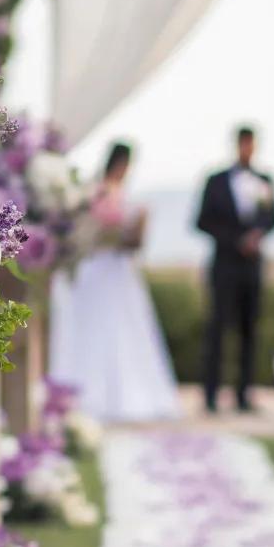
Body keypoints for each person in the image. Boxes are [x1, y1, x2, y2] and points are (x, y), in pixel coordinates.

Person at [50, 141, 179, 424]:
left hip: (120, 271)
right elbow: (90, 232)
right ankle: (95, 393)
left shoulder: (118, 194)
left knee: (126, 327)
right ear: (119, 163)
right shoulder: (98, 193)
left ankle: (121, 393)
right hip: (100, 269)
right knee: (99, 327)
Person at [196, 125, 274, 413]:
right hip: (224, 264)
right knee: (217, 329)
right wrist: (235, 240)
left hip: (252, 267)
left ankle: (244, 394)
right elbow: (202, 221)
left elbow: (273, 218)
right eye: (244, 144)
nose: (248, 149)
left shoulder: (266, 180)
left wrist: (257, 235)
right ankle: (210, 395)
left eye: (251, 144)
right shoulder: (215, 181)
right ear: (236, 145)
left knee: (249, 330)